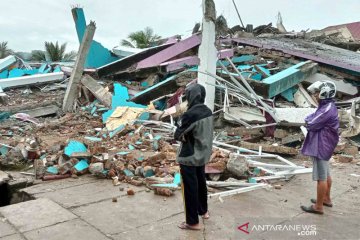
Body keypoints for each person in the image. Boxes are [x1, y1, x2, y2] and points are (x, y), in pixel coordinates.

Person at [174, 83, 213, 230]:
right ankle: (203, 211)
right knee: (200, 182)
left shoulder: (190, 114)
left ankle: (192, 222)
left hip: (190, 156)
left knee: (190, 188)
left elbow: (177, 134)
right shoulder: (207, 111)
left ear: (190, 96)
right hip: (203, 153)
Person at [300, 80, 339, 215]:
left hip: (322, 145)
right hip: (326, 144)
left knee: (321, 177)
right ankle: (326, 199)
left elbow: (312, 122)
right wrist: (309, 120)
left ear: (324, 93)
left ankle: (318, 206)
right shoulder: (327, 105)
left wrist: (307, 121)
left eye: (317, 93)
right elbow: (313, 116)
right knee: (326, 173)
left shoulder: (327, 108)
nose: (315, 95)